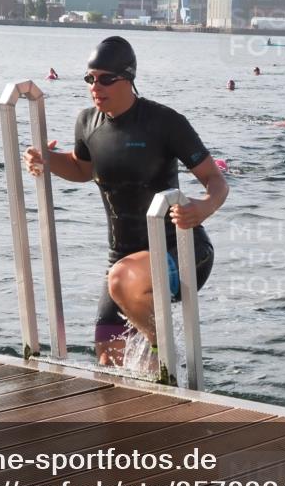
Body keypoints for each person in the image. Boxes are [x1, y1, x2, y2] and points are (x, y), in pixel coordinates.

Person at [23, 36, 229, 368]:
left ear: (129, 77)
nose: (95, 86)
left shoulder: (164, 122)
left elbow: (215, 180)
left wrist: (204, 207)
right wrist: (47, 159)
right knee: (108, 357)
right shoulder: (87, 123)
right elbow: (81, 168)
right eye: (90, 78)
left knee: (120, 281)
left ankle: (164, 351)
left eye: (106, 78)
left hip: (182, 251)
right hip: (122, 259)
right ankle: (160, 379)